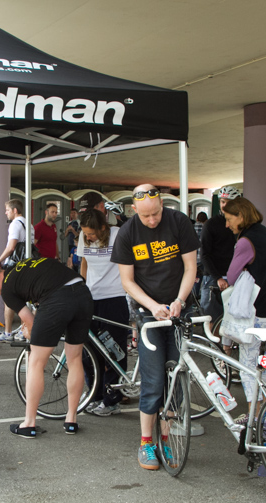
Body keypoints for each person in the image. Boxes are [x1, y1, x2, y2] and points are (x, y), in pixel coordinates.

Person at [110, 184, 199, 470]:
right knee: (153, 379)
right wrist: (152, 306)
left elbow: (190, 267)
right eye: (145, 215)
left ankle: (166, 440)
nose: (152, 220)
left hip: (178, 308)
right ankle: (146, 442)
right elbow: (127, 281)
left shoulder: (179, 222)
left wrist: (179, 300)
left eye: (156, 214)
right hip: (148, 313)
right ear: (134, 209)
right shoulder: (127, 233)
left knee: (175, 378)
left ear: (162, 204)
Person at [0, 259, 93, 437]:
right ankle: (71, 420)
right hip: (82, 293)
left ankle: (29, 423)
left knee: (36, 362)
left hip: (56, 299)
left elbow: (30, 321)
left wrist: (29, 333)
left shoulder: (7, 289)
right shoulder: (21, 266)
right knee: (75, 359)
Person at [221, 198, 266, 423]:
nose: (227, 224)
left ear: (241, 216)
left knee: (248, 365)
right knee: (265, 360)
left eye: (229, 219)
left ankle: (254, 417)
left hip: (256, 311)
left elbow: (232, 275)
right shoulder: (265, 233)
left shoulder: (246, 241)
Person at [77, 208, 129, 416]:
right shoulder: (84, 237)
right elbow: (84, 263)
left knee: (114, 350)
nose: (88, 237)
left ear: (103, 228)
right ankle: (95, 395)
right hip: (91, 298)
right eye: (85, 233)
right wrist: (83, 288)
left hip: (115, 298)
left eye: (91, 233)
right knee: (89, 352)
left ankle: (112, 399)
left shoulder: (117, 235)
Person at [0, 198, 31, 343]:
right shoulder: (28, 224)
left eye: (7, 210)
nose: (6, 213)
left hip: (15, 266)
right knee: (24, 298)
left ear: (15, 210)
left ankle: (8, 332)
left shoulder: (15, 224)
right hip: (27, 264)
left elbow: (11, 247)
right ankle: (23, 331)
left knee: (9, 298)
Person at [200, 187, 238, 319]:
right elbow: (204, 255)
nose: (225, 205)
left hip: (234, 277)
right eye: (222, 202)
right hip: (213, 277)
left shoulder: (241, 224)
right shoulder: (210, 224)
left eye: (229, 202)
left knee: (232, 318)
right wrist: (218, 278)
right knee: (211, 318)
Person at [193, 211, 208, 300]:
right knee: (202, 278)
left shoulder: (190, 228)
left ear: (197, 219)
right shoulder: (206, 228)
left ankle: (193, 297)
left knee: (193, 278)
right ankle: (199, 296)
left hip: (192, 259)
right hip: (202, 258)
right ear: (206, 220)